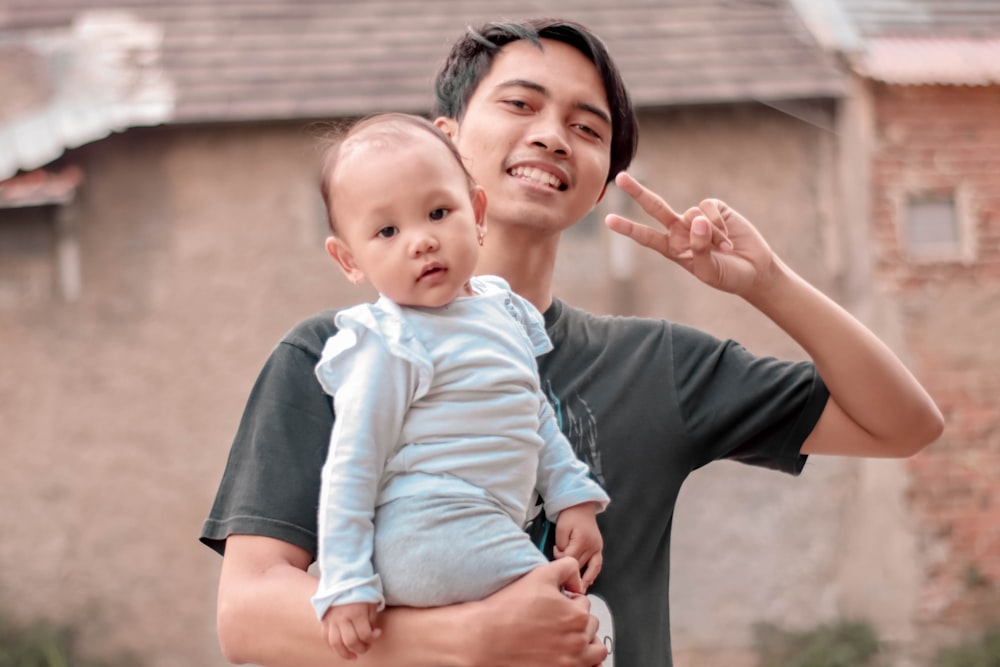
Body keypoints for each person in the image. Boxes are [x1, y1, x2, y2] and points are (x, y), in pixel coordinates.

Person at [200, 18, 944, 667]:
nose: (553, 135)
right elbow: (250, 612)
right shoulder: (338, 352)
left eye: (588, 128)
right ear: (447, 138)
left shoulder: (662, 366)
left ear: (600, 184)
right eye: (520, 105)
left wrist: (768, 281)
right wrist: (468, 638)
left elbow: (905, 424)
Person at [308, 112, 609, 661]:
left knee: (552, 625)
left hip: (477, 526)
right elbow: (352, 463)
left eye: (438, 213)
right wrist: (347, 580)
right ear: (349, 259)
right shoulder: (389, 340)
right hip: (430, 529)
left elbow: (533, 412)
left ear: (476, 214)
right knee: (561, 618)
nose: (421, 241)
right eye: (387, 231)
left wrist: (574, 499)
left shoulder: (499, 311)